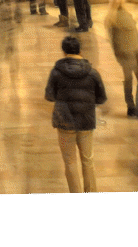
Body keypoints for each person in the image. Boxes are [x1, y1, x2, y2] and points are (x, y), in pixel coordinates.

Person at [45, 34, 107, 192]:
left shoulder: (57, 72)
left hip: (64, 122)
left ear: (64, 52)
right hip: (86, 121)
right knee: (88, 160)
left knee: (70, 162)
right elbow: (101, 99)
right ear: (80, 50)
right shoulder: (92, 72)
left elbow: (49, 96)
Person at [106, 0, 138, 118]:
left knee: (128, 80)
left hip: (122, 55)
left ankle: (130, 106)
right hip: (133, 53)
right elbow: (134, 36)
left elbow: (113, 40)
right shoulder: (126, 16)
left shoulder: (110, 18)